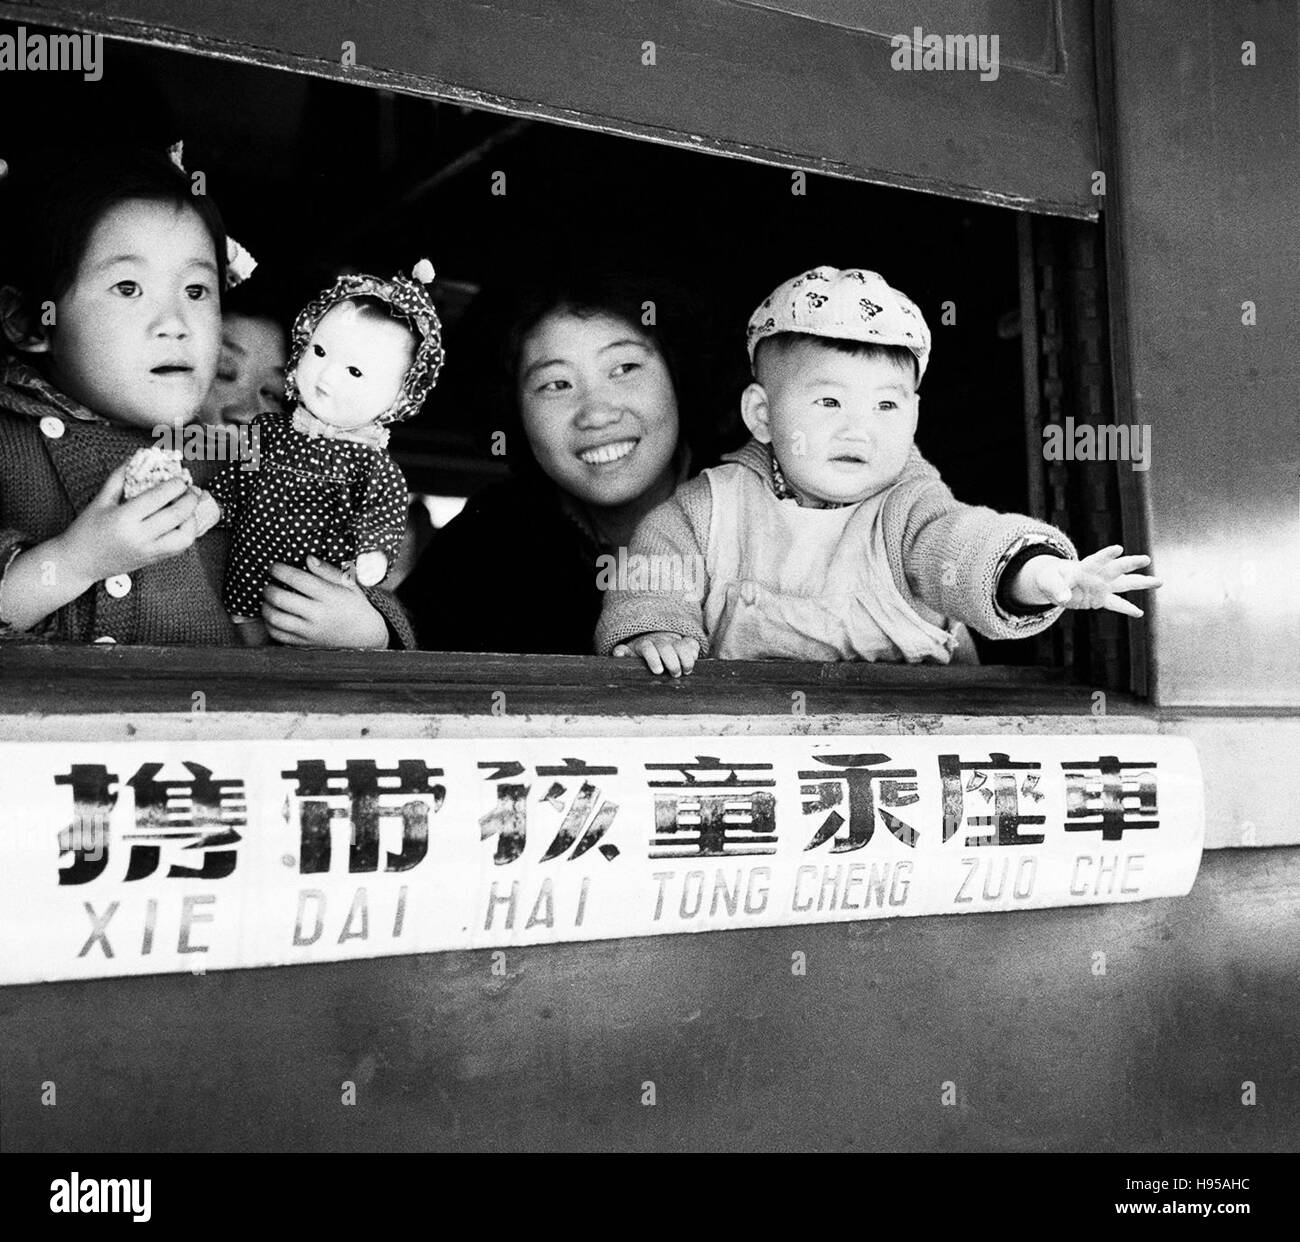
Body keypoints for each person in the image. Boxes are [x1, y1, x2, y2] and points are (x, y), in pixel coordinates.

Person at [596, 266, 1161, 675]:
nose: (858, 431)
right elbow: (656, 563)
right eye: (829, 403)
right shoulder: (710, 509)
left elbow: (961, 546)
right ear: (762, 415)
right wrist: (655, 627)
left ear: (914, 415)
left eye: (886, 406)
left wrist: (1037, 576)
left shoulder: (908, 510)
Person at [0, 145, 415, 648]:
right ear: (28, 321)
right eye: (128, 287)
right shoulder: (8, 443)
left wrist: (366, 632)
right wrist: (76, 561)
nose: (175, 324)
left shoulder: (241, 456)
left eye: (196, 291)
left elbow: (344, 564)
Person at [399, 273, 728, 653]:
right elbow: (405, 646)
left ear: (677, 372)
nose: (597, 414)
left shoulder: (765, 503)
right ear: (514, 409)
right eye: (557, 384)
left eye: (624, 368)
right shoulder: (489, 534)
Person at [207, 262, 443, 645]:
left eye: (272, 392)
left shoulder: (316, 475)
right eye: (223, 372)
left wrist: (367, 634)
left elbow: (373, 592)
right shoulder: (162, 463)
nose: (243, 410)